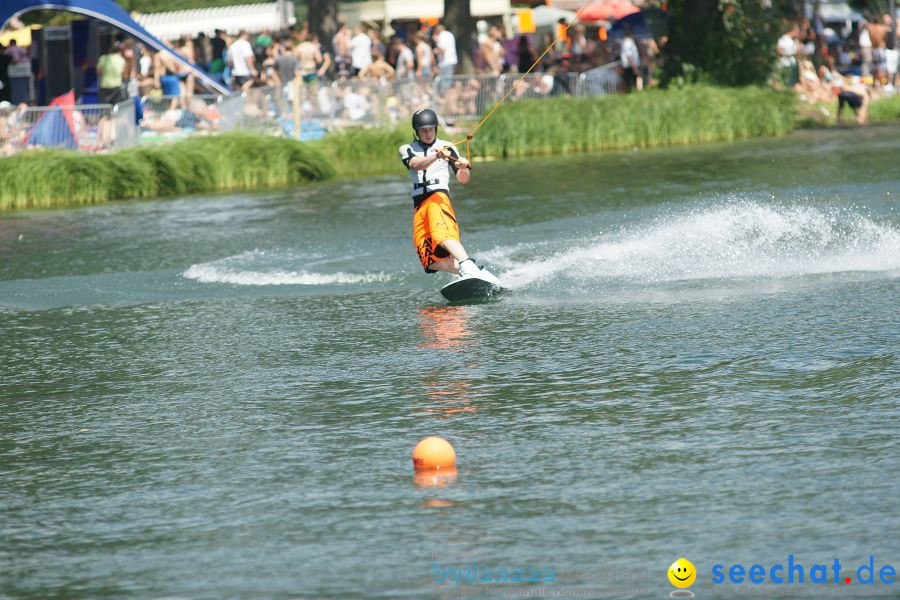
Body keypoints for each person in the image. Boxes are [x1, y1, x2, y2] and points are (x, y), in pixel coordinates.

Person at [398, 108, 499, 283]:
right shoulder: (407, 149)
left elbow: (463, 179)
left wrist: (462, 168)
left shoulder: (448, 147)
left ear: (436, 128)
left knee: (441, 235)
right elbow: (415, 165)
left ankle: (467, 266)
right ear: (416, 131)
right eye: (423, 131)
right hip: (419, 206)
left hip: (437, 198)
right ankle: (473, 271)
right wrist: (436, 155)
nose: (428, 134)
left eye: (431, 129)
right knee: (428, 259)